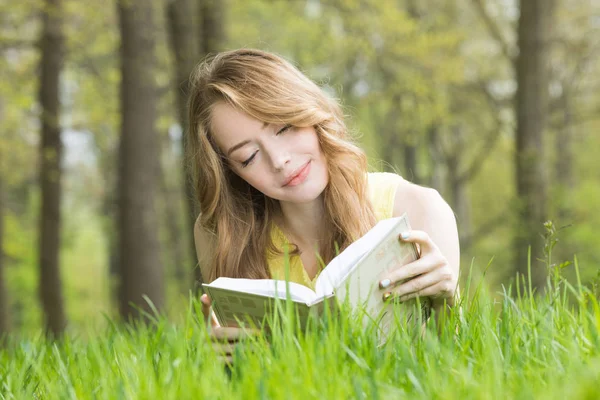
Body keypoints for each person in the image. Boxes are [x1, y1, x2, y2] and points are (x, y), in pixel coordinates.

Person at [187, 49, 460, 349]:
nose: (279, 161)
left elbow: (454, 361)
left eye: (284, 128)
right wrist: (221, 356)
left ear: (310, 111)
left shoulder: (416, 208)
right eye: (248, 157)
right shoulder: (221, 233)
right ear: (232, 173)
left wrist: (446, 299)